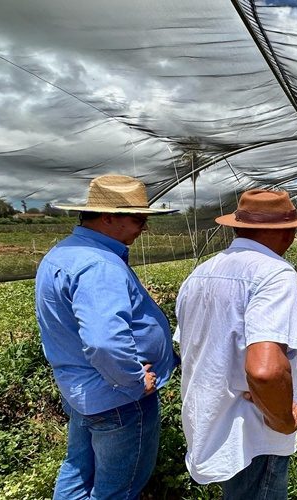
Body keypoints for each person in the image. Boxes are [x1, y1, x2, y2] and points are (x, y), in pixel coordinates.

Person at [35, 174, 179, 499]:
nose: (145, 227)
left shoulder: (62, 253)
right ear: (109, 217)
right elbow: (104, 342)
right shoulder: (100, 264)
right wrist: (132, 380)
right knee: (116, 490)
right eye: (139, 219)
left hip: (80, 389)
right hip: (117, 399)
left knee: (77, 470)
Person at [175, 189, 297, 499]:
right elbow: (264, 371)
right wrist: (282, 421)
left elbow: (199, 343)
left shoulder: (201, 273)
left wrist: (288, 359)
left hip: (211, 418)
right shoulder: (275, 273)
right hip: (254, 429)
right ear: (285, 232)